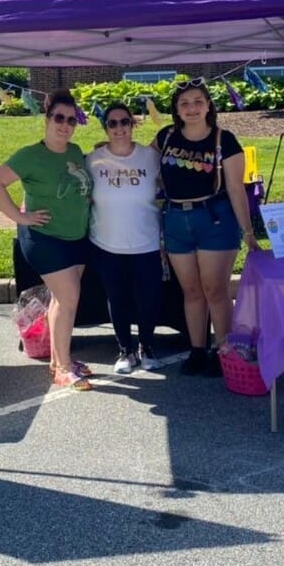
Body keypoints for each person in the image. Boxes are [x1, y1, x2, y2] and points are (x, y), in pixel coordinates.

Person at [0, 89, 95, 391]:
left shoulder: (74, 151)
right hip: (44, 238)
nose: (65, 125)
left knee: (63, 300)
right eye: (59, 118)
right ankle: (62, 367)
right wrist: (19, 218)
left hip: (76, 237)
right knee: (69, 298)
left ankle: (59, 359)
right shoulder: (30, 155)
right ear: (47, 119)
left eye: (71, 120)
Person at [153, 78, 260, 377]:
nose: (192, 108)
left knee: (215, 289)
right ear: (176, 108)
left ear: (208, 105)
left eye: (198, 101)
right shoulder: (166, 137)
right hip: (176, 219)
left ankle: (222, 349)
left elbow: (237, 190)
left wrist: (248, 233)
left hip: (214, 219)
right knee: (191, 290)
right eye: (184, 103)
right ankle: (197, 349)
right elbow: (141, 164)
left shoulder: (224, 140)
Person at [86, 102, 163, 374]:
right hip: (107, 242)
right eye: (112, 123)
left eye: (124, 122)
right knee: (116, 297)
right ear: (105, 128)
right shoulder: (92, 160)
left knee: (148, 297)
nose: (119, 128)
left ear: (133, 124)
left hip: (147, 241)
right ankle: (125, 350)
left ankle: (146, 346)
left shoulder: (150, 157)